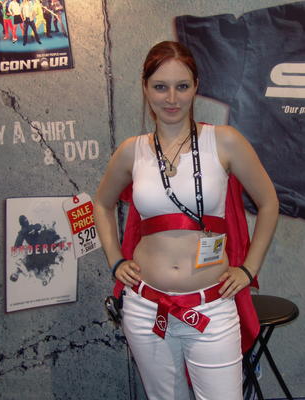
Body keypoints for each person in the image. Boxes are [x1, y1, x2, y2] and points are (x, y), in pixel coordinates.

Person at [94, 41, 279, 400]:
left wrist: (249, 269)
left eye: (182, 86)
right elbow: (101, 204)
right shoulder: (132, 151)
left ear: (196, 86)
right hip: (146, 309)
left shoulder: (224, 141)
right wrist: (115, 260)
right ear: (145, 88)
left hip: (211, 308)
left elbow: (269, 202)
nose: (171, 98)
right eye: (160, 87)